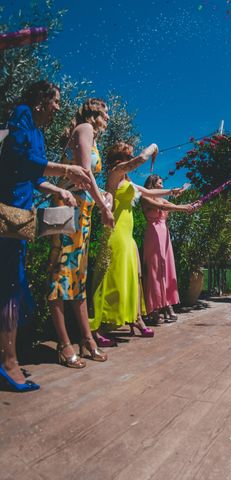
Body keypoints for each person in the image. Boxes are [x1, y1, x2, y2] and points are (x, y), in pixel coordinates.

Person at [0, 81, 92, 391]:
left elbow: (33, 175)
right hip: (7, 211)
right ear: (41, 99)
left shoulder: (37, 133)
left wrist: (57, 188)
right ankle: (8, 362)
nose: (58, 107)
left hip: (20, 217)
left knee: (12, 283)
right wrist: (66, 171)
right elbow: (17, 160)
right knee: (9, 287)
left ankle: (8, 357)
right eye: (55, 101)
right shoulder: (22, 116)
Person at [91, 142, 187, 337]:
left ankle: (135, 318)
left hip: (127, 234)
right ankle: (98, 325)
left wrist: (171, 191)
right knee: (111, 276)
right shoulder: (116, 172)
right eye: (130, 154)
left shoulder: (126, 180)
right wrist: (153, 147)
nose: (133, 157)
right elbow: (142, 159)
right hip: (115, 232)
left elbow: (148, 192)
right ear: (122, 157)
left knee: (134, 276)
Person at [48, 99, 115, 368]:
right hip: (67, 208)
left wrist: (103, 198)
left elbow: (90, 180)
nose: (108, 119)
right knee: (60, 274)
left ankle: (87, 340)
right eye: (106, 114)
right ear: (94, 114)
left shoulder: (90, 136)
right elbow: (86, 173)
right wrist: (104, 207)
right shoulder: (85, 128)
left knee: (78, 277)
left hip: (80, 209)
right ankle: (64, 344)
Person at [141, 174, 197, 325]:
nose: (162, 186)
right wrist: (183, 208)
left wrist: (191, 206)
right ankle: (155, 309)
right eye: (160, 183)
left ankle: (167, 305)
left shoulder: (161, 198)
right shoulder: (145, 198)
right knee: (155, 271)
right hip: (153, 234)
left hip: (164, 234)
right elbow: (163, 207)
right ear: (152, 185)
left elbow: (169, 205)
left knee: (166, 270)